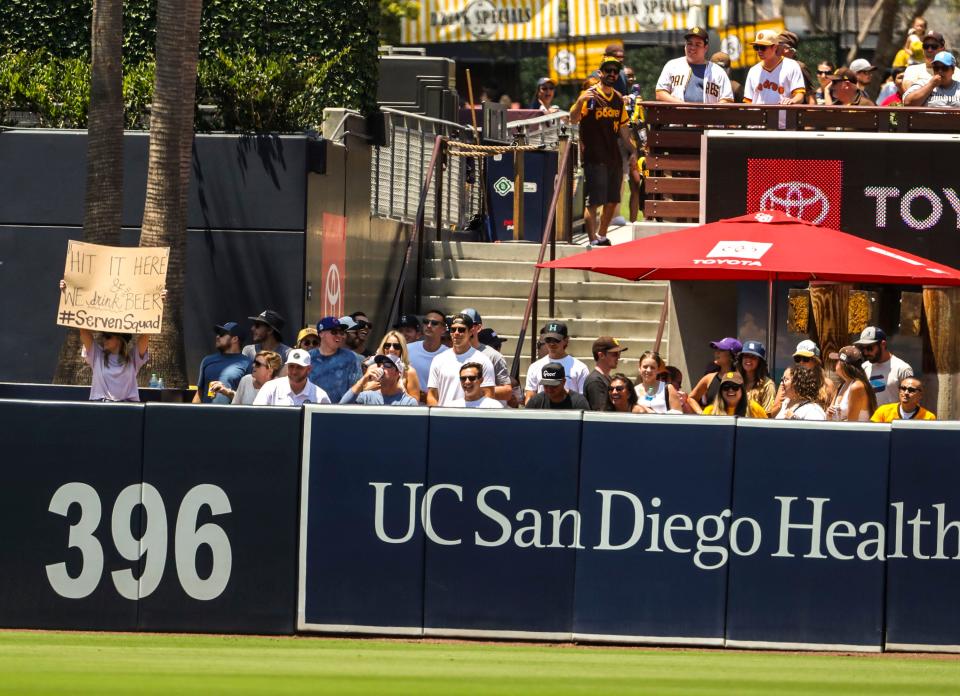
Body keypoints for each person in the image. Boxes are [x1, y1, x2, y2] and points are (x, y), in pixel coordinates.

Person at [569, 54, 638, 247]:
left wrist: (633, 150)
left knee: (613, 201)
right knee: (594, 202)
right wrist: (581, 100)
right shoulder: (589, 95)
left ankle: (601, 235)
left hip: (613, 157)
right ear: (600, 73)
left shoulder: (617, 98)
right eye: (608, 70)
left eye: (615, 71)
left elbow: (624, 130)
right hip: (594, 156)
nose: (612, 74)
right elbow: (573, 119)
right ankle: (591, 239)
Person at [59, 279, 160, 402]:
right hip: (101, 408)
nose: (103, 338)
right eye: (103, 335)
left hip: (128, 410)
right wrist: (69, 293)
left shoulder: (132, 359)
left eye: (108, 336)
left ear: (119, 339)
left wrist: (158, 303)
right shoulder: (97, 355)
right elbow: (84, 331)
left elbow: (145, 335)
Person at [426, 313, 495, 406]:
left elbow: (488, 394)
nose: (456, 333)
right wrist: (437, 418)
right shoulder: (438, 359)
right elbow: (432, 395)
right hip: (444, 417)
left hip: (472, 417)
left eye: (461, 330)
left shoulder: (483, 361)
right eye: (453, 329)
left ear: (470, 332)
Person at [656, 27, 734, 104]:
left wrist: (711, 112)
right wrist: (683, 105)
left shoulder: (718, 72)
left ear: (705, 48)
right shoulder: (672, 66)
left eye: (698, 44)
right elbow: (660, 93)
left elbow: (727, 100)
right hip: (677, 114)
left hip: (707, 116)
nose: (692, 48)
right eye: (689, 43)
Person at [460, 308, 514, 404]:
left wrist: (475, 390)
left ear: (479, 327)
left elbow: (507, 392)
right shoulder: (447, 355)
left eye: (469, 325)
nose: (464, 328)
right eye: (461, 325)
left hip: (483, 414)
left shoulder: (494, 356)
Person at [525, 321, 590, 400]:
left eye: (556, 340)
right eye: (548, 340)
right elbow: (530, 395)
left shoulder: (580, 368)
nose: (552, 344)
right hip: (543, 411)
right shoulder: (534, 367)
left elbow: (582, 398)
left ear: (566, 340)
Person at [193, 321, 252, 404]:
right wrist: (192, 414)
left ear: (235, 339)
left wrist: (227, 392)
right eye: (218, 334)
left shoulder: (248, 364)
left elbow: (248, 398)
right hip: (205, 415)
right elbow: (199, 393)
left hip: (232, 415)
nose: (217, 337)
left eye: (222, 334)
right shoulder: (207, 360)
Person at [307, 316, 362, 403]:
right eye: (334, 332)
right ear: (321, 333)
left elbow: (357, 387)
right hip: (312, 409)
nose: (339, 336)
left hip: (340, 410)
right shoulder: (309, 357)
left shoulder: (350, 357)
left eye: (341, 332)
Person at [742, 29, 806, 105]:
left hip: (783, 115)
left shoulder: (792, 66)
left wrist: (792, 101)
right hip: (759, 116)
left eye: (763, 47)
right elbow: (748, 101)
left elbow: (800, 95)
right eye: (756, 47)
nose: (759, 51)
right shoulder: (753, 71)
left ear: (775, 47)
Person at [854, 326, 914, 406]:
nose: (865, 353)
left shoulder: (902, 369)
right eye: (862, 348)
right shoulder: (864, 367)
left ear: (883, 344)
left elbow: (911, 401)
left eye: (869, 348)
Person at [254, 349, 331, 406]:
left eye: (299, 367)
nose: (294, 371)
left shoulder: (320, 396)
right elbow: (257, 415)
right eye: (291, 366)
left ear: (308, 369)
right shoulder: (270, 388)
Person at [688, 337, 742, 413]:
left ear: (732, 355)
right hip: (713, 424)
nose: (716, 353)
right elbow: (691, 398)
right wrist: (703, 414)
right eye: (716, 350)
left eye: (721, 350)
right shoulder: (709, 378)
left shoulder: (743, 379)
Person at [340, 354, 418, 406]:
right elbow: (342, 407)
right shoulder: (367, 396)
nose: (382, 367)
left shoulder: (408, 403)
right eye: (380, 364)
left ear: (398, 373)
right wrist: (363, 380)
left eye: (387, 364)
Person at [826, 346, 877, 422]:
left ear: (843, 364)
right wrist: (829, 414)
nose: (834, 364)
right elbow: (829, 417)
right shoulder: (842, 385)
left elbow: (851, 424)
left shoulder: (857, 387)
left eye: (837, 361)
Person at [407, 308, 448, 402]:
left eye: (434, 323)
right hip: (411, 407)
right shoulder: (407, 349)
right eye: (426, 322)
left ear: (443, 330)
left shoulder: (449, 355)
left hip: (438, 407)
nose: (429, 326)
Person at [368, 330, 421, 401]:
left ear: (402, 349)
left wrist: (402, 391)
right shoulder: (372, 368)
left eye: (396, 346)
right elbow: (359, 395)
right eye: (387, 345)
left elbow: (415, 403)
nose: (391, 349)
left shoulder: (409, 372)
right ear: (383, 347)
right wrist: (367, 388)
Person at [583, 336, 627, 411]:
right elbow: (601, 414)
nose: (618, 357)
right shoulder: (595, 381)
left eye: (619, 354)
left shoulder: (606, 378)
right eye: (615, 354)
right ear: (601, 355)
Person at [524, 362, 591, 410]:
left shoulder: (579, 402)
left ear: (564, 382)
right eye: (546, 385)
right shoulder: (536, 402)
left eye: (554, 385)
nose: (549, 389)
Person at [702, 371, 768, 417]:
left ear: (742, 390)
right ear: (720, 392)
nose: (730, 390)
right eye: (726, 387)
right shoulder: (710, 411)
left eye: (735, 387)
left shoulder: (754, 408)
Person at [777, 31, 817, 104]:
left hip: (797, 114)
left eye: (778, 45)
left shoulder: (799, 67)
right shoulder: (773, 66)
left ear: (787, 49)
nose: (774, 48)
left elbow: (811, 98)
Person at [871, 377, 936, 421]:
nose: (906, 392)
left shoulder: (928, 418)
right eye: (903, 388)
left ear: (920, 395)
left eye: (911, 390)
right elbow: (873, 434)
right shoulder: (883, 411)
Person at [792, 339, 834, 408]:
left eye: (805, 358)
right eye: (798, 358)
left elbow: (832, 413)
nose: (801, 362)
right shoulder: (791, 382)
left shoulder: (827, 384)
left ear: (815, 361)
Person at [737, 340, 776, 415]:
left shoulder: (767, 385)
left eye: (753, 357)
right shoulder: (735, 380)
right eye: (746, 356)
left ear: (760, 362)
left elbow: (767, 416)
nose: (748, 359)